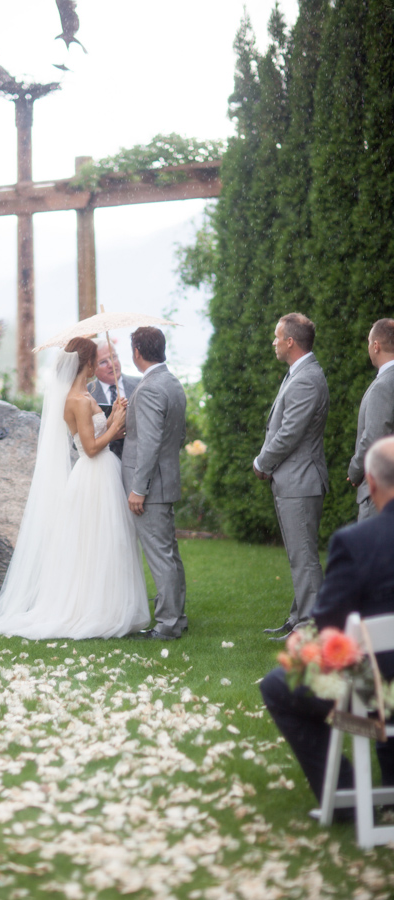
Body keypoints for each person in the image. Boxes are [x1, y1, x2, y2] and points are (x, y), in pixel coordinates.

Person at [0, 337, 150, 639]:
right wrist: (113, 426)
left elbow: (99, 432)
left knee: (109, 542)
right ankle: (94, 609)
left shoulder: (85, 394)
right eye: (96, 360)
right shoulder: (77, 400)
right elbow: (91, 447)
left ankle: (110, 605)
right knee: (96, 543)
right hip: (93, 475)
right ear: (85, 363)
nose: (100, 365)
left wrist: (114, 417)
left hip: (103, 473)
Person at [260, 435, 394, 808]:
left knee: (279, 688)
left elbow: (330, 624)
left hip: (377, 694)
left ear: (372, 483)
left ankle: (349, 793)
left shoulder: (357, 542)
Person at [253, 313, 329, 639]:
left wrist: (262, 462)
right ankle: (299, 617)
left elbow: (289, 433)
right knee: (299, 556)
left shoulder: (307, 378)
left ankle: (311, 627)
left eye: (276, 336)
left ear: (290, 341)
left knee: (305, 559)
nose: (273, 342)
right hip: (294, 480)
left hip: (301, 480)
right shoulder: (298, 373)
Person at [122, 327, 187, 640]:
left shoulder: (149, 388)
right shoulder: (172, 383)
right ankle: (177, 617)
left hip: (151, 486)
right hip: (167, 479)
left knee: (160, 555)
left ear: (137, 351)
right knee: (169, 553)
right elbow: (175, 435)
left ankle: (167, 624)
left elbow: (148, 443)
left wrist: (139, 488)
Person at [348, 319, 394, 521]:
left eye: (369, 342)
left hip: (381, 487)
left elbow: (374, 437)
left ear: (376, 346)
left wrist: (355, 470)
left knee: (374, 552)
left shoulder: (383, 385)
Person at [88, 340, 140, 459]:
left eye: (113, 357)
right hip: (103, 466)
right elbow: (78, 443)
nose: (111, 364)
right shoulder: (86, 394)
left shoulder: (141, 385)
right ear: (91, 367)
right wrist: (110, 435)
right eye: (103, 362)